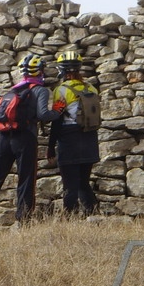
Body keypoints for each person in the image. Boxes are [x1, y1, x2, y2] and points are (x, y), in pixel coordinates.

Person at [0, 54, 64, 233]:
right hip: (25, 138)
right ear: (40, 71)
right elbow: (43, 115)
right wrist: (58, 111)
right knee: (26, 179)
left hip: (4, 137)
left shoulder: (14, 90)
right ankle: (23, 221)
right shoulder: (40, 90)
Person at [47, 51, 100, 216]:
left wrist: (50, 147)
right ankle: (92, 214)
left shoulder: (61, 90)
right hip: (90, 137)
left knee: (70, 184)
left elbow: (57, 119)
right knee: (84, 182)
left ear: (62, 70)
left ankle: (69, 217)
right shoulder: (91, 88)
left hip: (69, 139)